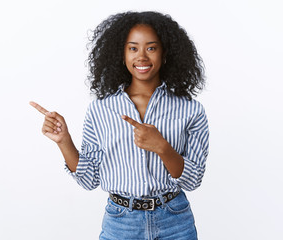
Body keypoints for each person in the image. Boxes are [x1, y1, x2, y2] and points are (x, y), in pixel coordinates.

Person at [30, 11, 209, 240]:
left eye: (151, 48)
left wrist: (162, 147)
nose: (142, 56)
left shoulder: (190, 110)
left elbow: (193, 180)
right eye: (133, 48)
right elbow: (89, 179)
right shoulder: (101, 110)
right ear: (121, 54)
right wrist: (64, 141)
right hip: (121, 223)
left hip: (174, 221)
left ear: (165, 53)